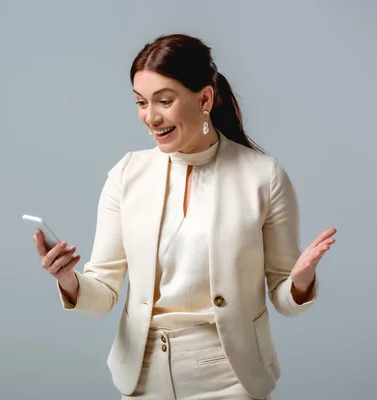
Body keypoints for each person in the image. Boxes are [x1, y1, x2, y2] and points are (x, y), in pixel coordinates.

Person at [31, 33, 336, 400]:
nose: (150, 117)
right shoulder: (127, 175)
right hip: (143, 377)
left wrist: (300, 281)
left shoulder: (262, 176)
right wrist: (69, 280)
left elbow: (285, 299)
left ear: (204, 98)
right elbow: (105, 294)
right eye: (141, 102)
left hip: (231, 378)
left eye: (164, 100)